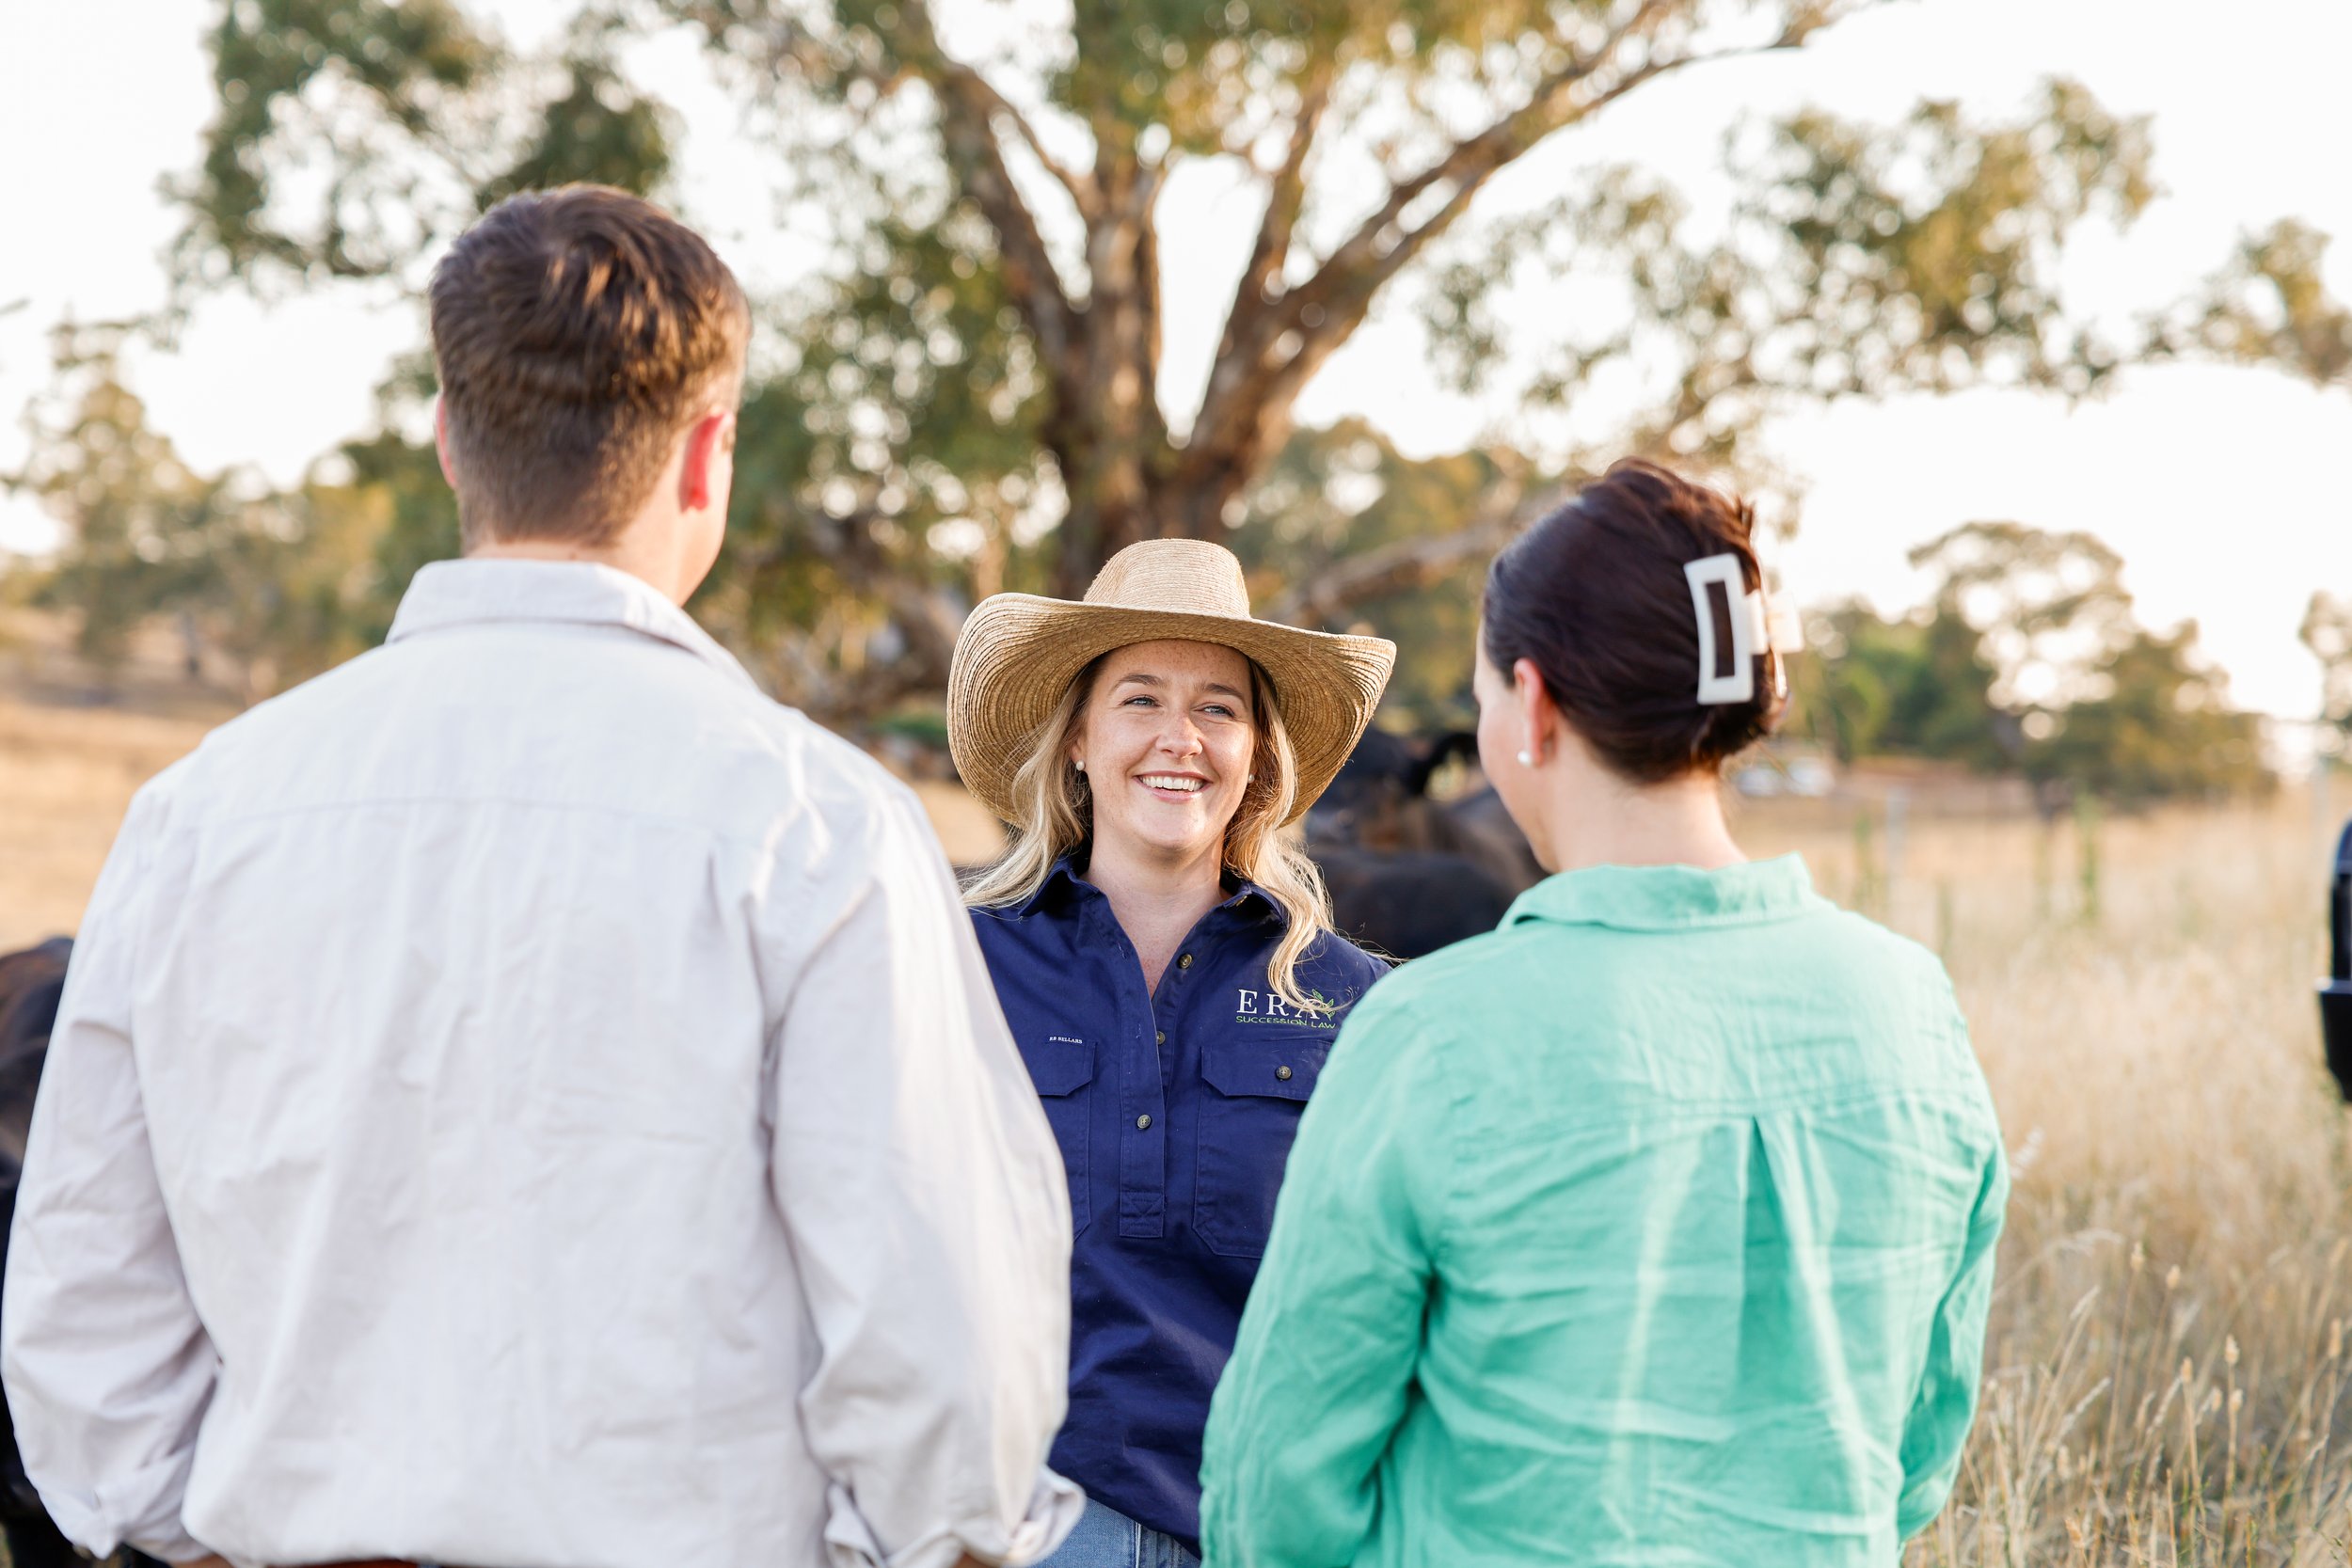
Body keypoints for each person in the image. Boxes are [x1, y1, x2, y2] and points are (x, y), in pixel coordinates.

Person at [2, 185, 1079, 1568]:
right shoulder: (821, 827)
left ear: (451, 439)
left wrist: (193, 1532)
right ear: (709, 457)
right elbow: (947, 1344)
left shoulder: (201, 815)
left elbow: (86, 1310)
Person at [1200, 460, 2010, 1566]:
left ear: (1530, 704)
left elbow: (1273, 1498)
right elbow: (1915, 1457)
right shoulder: (1914, 1008)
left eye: (1485, 696)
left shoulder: (1431, 1034)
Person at [946, 538, 1397, 1567]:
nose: (1178, 738)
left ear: (1256, 755)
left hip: (1265, 1532)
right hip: (1026, 1530)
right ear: (1077, 737)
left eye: (1218, 707)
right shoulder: (957, 965)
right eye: (1140, 698)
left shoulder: (1351, 1002)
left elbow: (1382, 1308)